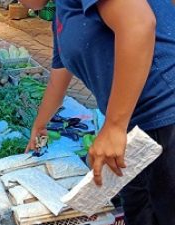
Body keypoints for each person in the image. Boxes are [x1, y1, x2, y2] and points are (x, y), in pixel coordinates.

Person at [20, 0, 175, 224]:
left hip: (164, 113)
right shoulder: (61, 13)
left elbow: (138, 24)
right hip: (136, 128)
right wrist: (40, 123)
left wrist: (113, 126)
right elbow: (58, 77)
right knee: (139, 210)